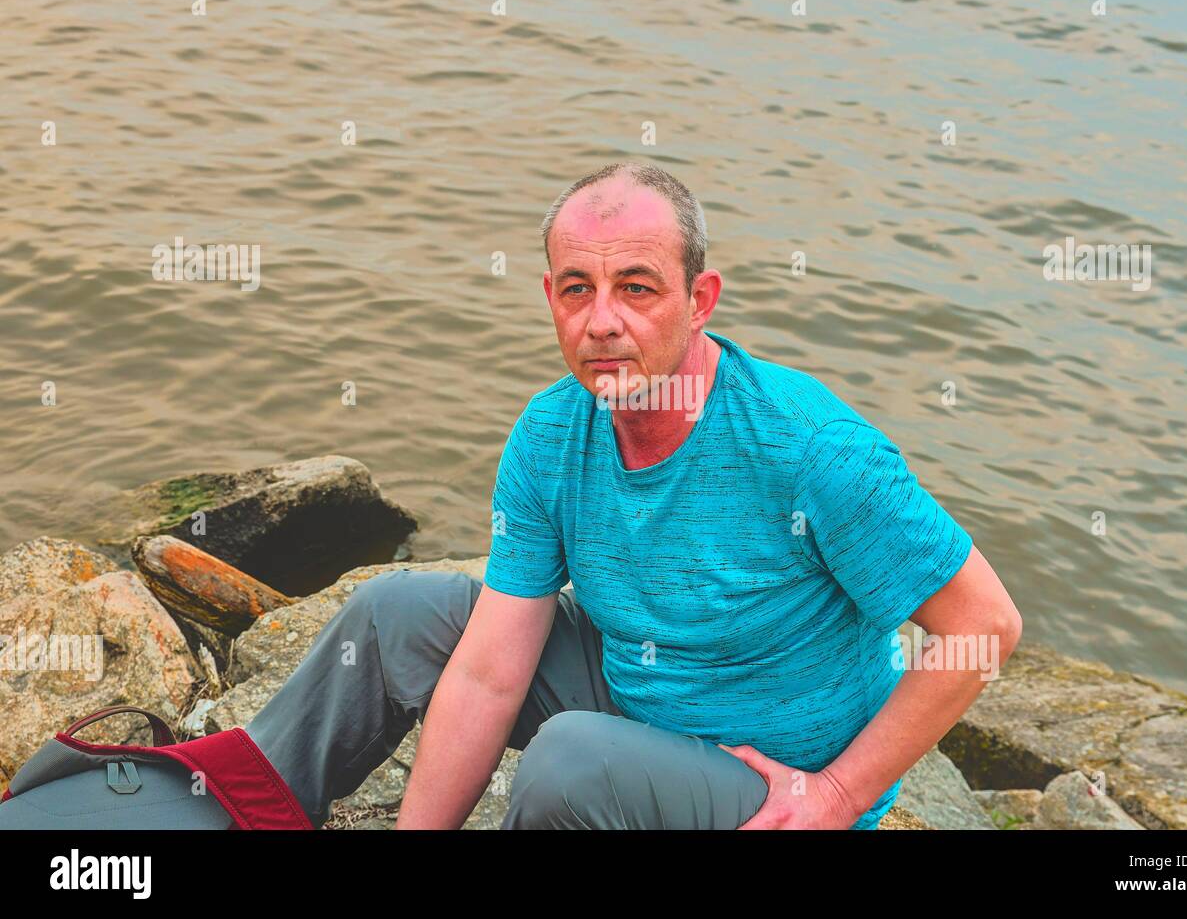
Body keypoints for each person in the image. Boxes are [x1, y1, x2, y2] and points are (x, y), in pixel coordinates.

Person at [245, 161, 1023, 830]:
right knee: (396, 615)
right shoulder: (552, 432)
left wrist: (837, 795)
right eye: (578, 290)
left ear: (700, 298)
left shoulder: (810, 445)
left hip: (769, 777)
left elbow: (985, 625)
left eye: (637, 288)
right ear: (550, 294)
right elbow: (489, 671)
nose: (601, 322)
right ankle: (233, 807)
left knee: (570, 763)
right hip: (637, 698)